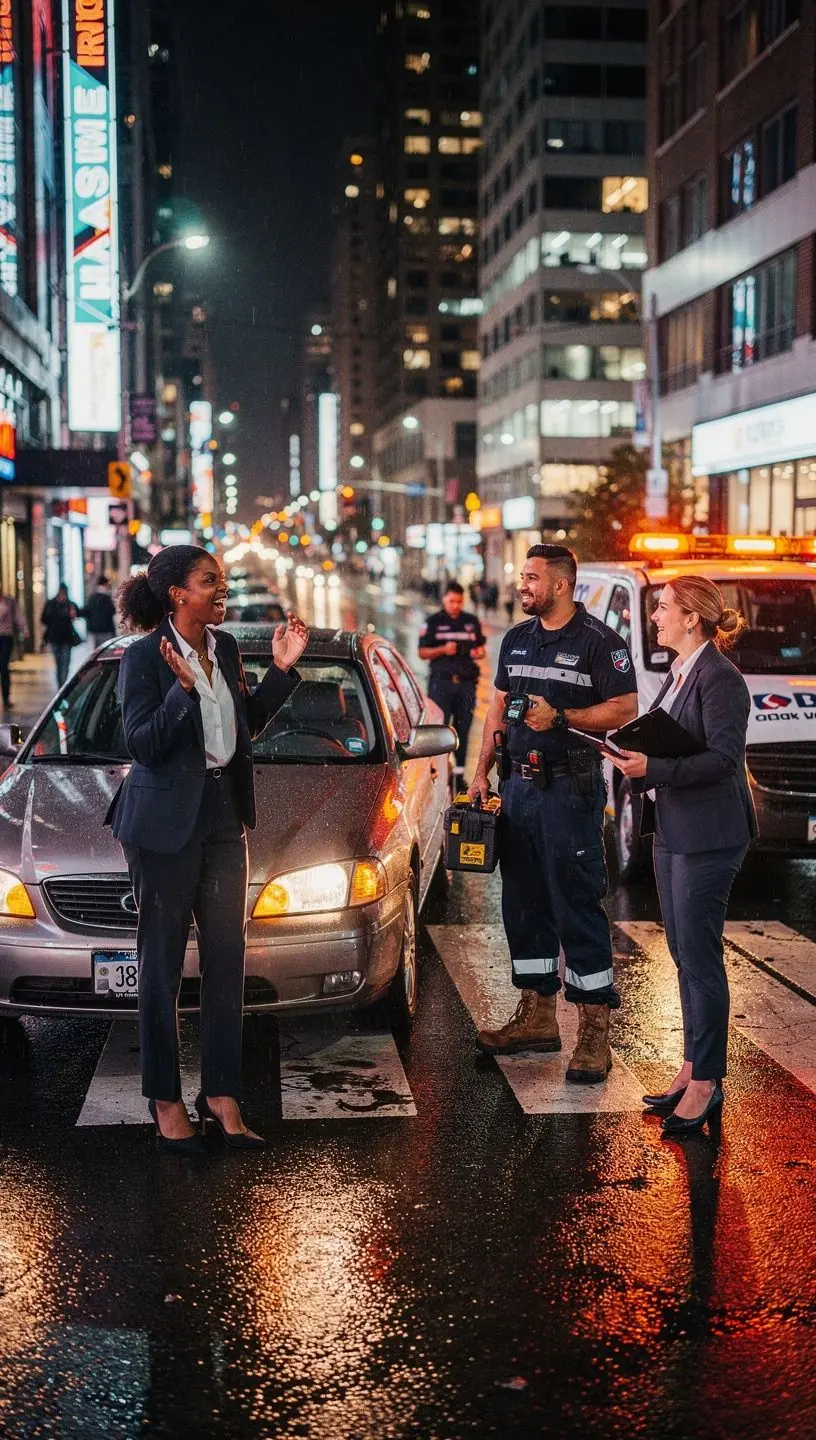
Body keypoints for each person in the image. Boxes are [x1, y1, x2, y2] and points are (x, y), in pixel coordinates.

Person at [109, 545, 307, 1154]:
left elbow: (240, 727)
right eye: (209, 581)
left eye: (220, 581)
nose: (220, 590)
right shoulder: (143, 658)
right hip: (164, 824)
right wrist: (182, 691)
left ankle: (220, 1093)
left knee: (228, 962)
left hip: (224, 817)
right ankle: (166, 1100)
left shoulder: (226, 647)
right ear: (176, 594)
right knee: (162, 965)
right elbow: (142, 743)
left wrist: (279, 671)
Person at [468, 544, 638, 1082]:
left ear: (561, 585)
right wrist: (478, 774)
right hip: (518, 790)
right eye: (522, 576)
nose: (522, 585)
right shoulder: (516, 640)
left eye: (532, 578)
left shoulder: (599, 644)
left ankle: (594, 1033)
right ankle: (538, 1017)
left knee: (576, 903)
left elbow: (625, 707)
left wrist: (561, 716)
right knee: (522, 903)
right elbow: (498, 708)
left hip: (571, 792)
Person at [611, 575, 756, 1137]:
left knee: (699, 956)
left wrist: (654, 769)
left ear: (692, 618)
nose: (656, 617)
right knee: (682, 951)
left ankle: (707, 1083)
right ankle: (692, 1067)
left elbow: (723, 759)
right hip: (674, 826)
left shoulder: (722, 681)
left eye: (664, 608)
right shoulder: (681, 673)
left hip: (711, 832)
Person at [418, 579, 486, 776]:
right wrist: (443, 649)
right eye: (451, 601)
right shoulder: (433, 622)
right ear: (444, 600)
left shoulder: (470, 622)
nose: (455, 605)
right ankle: (439, 773)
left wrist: (476, 653)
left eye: (459, 602)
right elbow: (422, 652)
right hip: (441, 684)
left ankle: (459, 774)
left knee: (463, 730)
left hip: (466, 684)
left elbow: (481, 648)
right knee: (439, 732)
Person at [41, 585, 79, 689]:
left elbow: (77, 614)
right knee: (59, 664)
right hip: (56, 638)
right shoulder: (51, 604)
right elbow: (44, 619)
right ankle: (61, 686)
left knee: (65, 664)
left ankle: (62, 686)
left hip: (66, 638)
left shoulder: (69, 604)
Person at [0, 590, 26, 709]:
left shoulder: (9, 601)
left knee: (3, 666)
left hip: (6, 637)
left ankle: (6, 697)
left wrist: (24, 629)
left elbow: (18, 616)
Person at [83, 575, 116, 649]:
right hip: (106, 630)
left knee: (98, 652)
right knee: (106, 651)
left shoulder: (92, 597)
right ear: (105, 584)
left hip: (95, 630)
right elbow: (112, 611)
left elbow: (87, 611)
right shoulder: (107, 597)